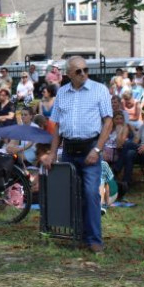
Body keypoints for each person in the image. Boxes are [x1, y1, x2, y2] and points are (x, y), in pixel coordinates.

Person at [44, 57, 113, 252]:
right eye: (78, 71)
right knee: (72, 195)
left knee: (91, 193)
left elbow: (108, 123)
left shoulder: (99, 90)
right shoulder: (63, 93)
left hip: (90, 147)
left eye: (85, 70)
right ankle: (79, 234)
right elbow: (57, 126)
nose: (83, 74)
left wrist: (97, 149)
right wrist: (52, 154)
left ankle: (94, 240)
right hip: (68, 150)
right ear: (68, 74)